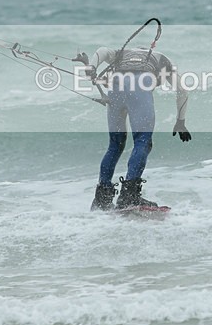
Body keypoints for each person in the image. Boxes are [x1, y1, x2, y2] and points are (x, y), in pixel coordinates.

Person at [75, 45, 191, 211]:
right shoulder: (162, 59)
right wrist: (180, 121)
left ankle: (102, 198)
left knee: (115, 145)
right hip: (140, 86)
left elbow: (102, 51)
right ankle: (129, 195)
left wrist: (92, 67)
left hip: (116, 87)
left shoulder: (122, 52)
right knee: (143, 141)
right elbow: (182, 91)